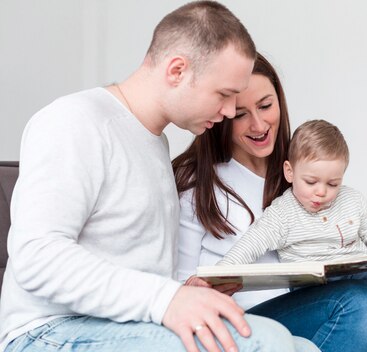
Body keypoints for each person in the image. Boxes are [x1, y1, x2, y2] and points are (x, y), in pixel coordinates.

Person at [0, 2, 318, 352]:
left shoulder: (153, 143)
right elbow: (37, 256)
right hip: (46, 332)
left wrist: (186, 292)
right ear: (177, 70)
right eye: (225, 95)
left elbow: (133, 273)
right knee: (268, 342)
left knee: (303, 347)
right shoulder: (74, 121)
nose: (229, 112)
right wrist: (167, 298)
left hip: (121, 324)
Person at [174, 52, 367, 351]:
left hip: (328, 299)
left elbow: (356, 228)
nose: (259, 124)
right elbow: (181, 284)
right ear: (221, 114)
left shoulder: (304, 164)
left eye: (265, 105)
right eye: (240, 114)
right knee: (361, 303)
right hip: (250, 318)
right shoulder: (197, 182)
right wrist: (209, 287)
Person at [212, 119, 367, 313]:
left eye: (333, 184)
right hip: (313, 286)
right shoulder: (283, 212)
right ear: (290, 172)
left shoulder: (352, 199)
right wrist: (222, 272)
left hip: (356, 272)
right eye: (311, 182)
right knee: (354, 294)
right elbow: (252, 242)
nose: (321, 192)